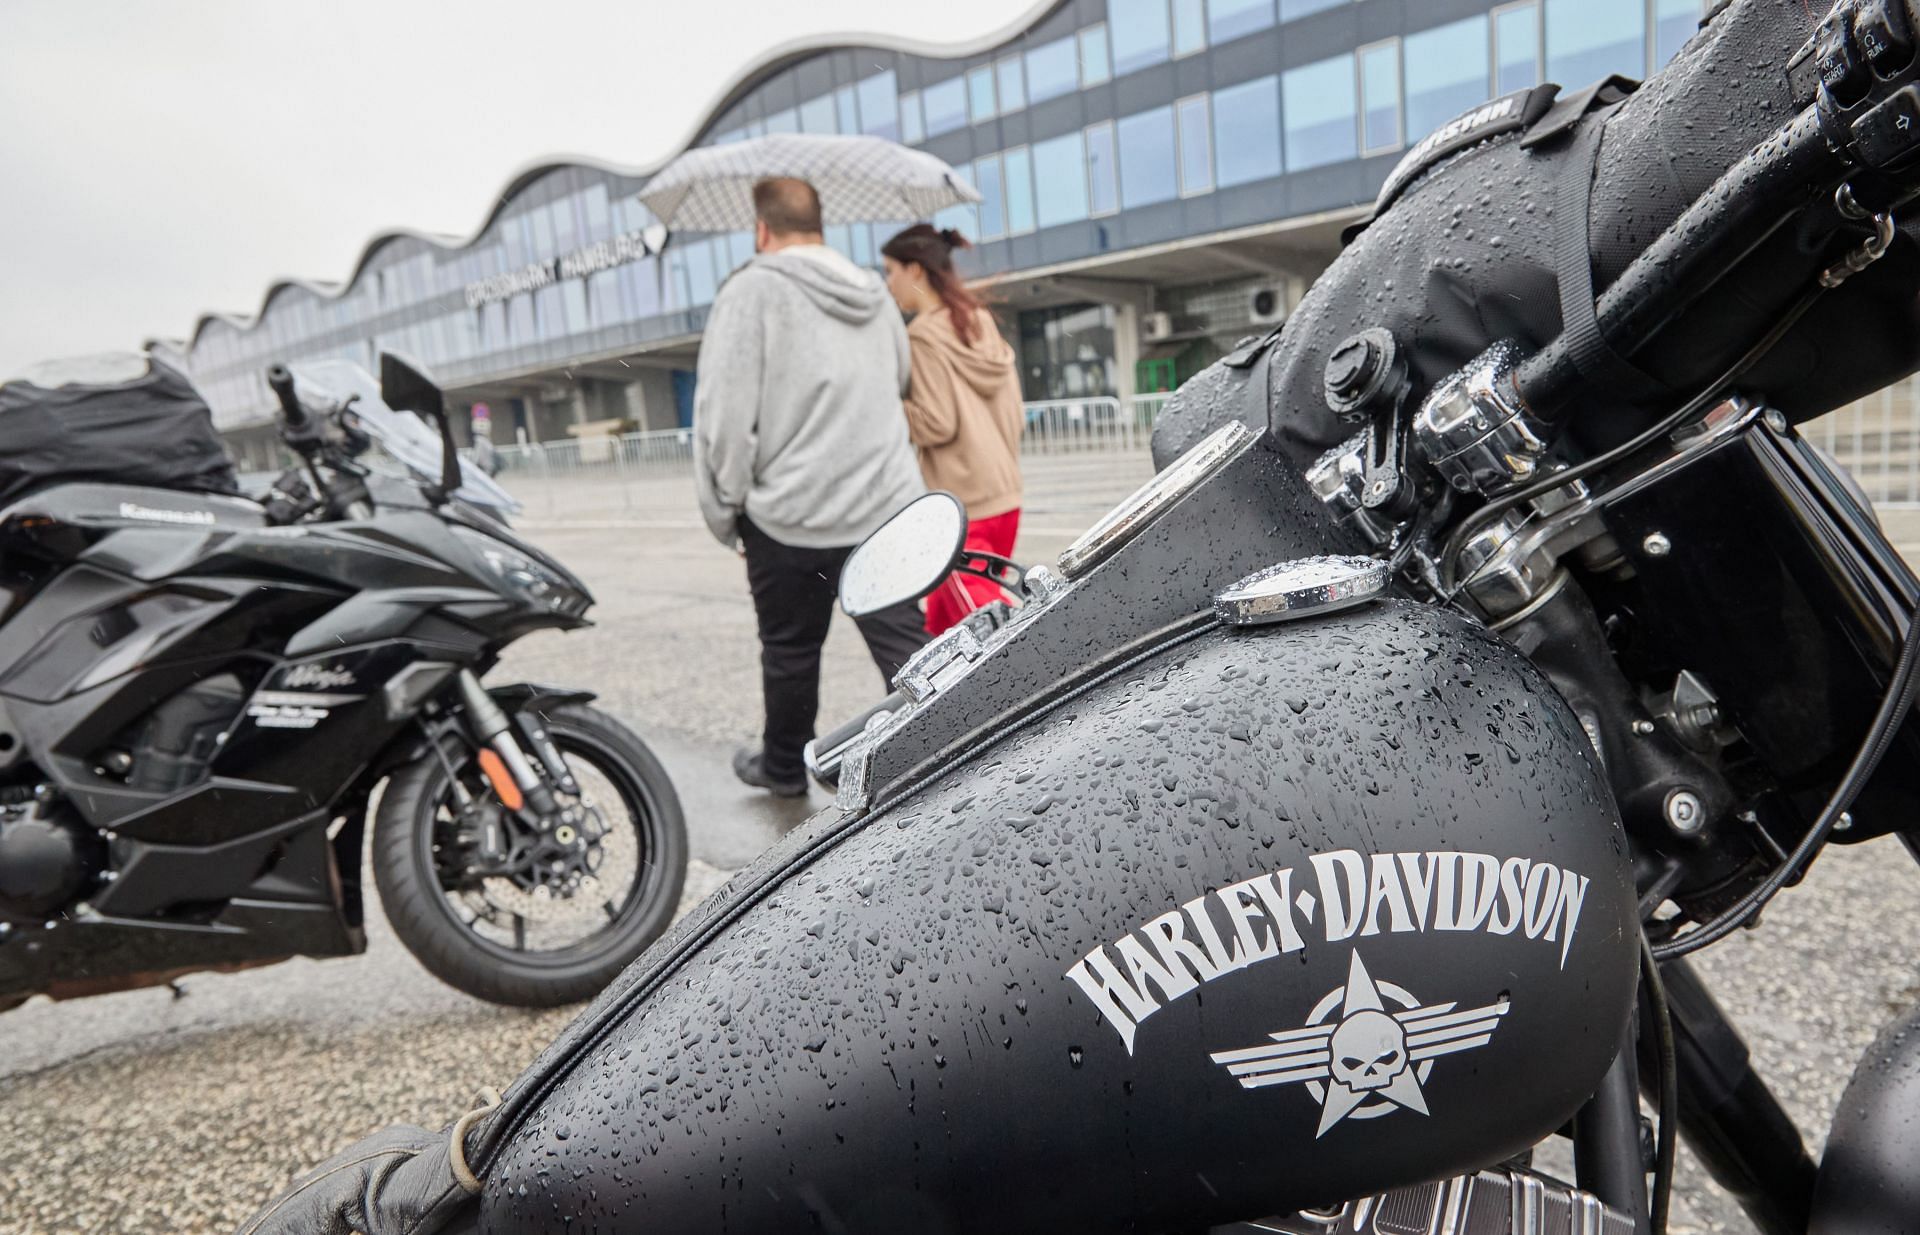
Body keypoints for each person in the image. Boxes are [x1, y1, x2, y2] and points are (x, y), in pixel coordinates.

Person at [693, 177, 929, 798]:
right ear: (821, 227)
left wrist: (729, 510)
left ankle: (782, 770)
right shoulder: (875, 295)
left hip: (787, 518)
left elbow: (724, 423)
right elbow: (901, 379)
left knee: (791, 652)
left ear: (762, 230)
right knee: (908, 648)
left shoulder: (749, 292)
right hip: (882, 508)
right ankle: (945, 753)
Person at [879, 224, 1024, 635]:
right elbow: (1012, 410)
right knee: (945, 625)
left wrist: (889, 404)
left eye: (890, 271)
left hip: (964, 509)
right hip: (1004, 495)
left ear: (916, 271)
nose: (888, 283)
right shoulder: (978, 320)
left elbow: (937, 422)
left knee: (994, 634)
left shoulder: (923, 335)